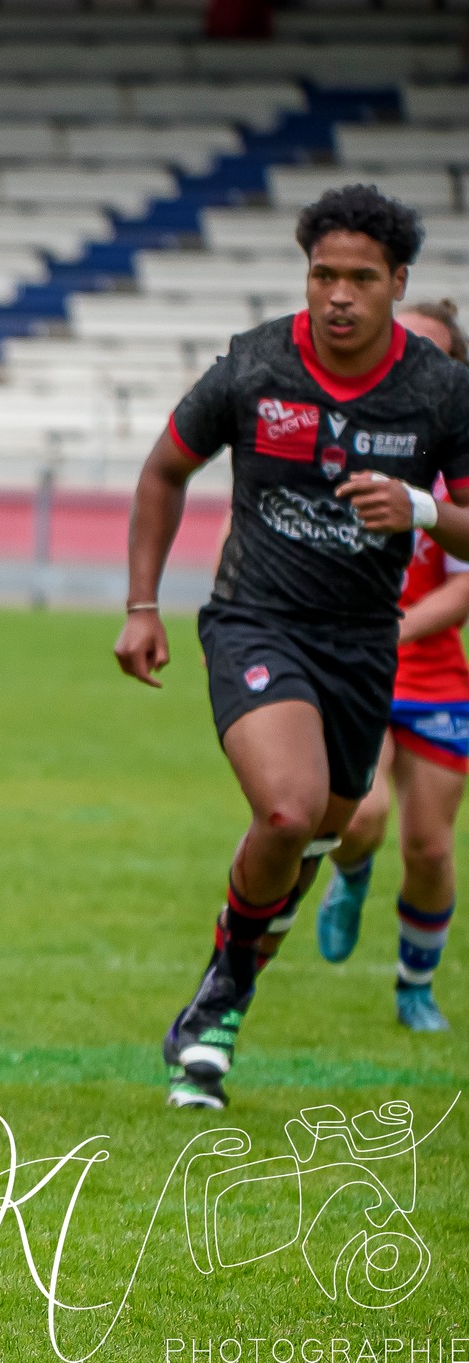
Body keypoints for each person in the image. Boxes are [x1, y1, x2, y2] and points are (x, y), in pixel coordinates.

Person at [114, 187, 469, 1110]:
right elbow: (164, 470)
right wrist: (142, 603)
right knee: (287, 810)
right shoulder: (256, 364)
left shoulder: (440, 390)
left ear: (399, 282)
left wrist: (424, 508)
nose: (339, 294)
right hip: (255, 620)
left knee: (325, 829)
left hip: (363, 643)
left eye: (361, 277)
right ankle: (222, 1003)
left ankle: (214, 1006)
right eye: (323, 275)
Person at [314, 300, 469, 1032]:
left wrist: (395, 627)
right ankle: (349, 873)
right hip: (353, 665)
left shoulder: (457, 466)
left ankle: (415, 985)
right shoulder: (338, 440)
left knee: (432, 847)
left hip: (432, 672)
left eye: (427, 353)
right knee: (364, 815)